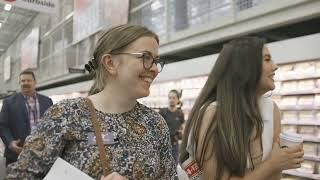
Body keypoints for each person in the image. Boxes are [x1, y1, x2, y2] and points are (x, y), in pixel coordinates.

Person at [6, 24, 177, 180]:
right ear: (110, 63)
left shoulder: (155, 124)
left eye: (155, 60)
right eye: (145, 57)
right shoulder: (66, 115)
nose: (154, 69)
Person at [180, 37, 304, 180]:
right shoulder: (212, 114)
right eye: (267, 59)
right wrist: (273, 164)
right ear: (246, 67)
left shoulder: (272, 110)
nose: (275, 66)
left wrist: (284, 160)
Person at [0, 70, 53, 166]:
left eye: (29, 80)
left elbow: (52, 124)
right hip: (16, 155)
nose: (25, 83)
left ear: (35, 82)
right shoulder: (8, 102)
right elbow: (2, 125)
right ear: (19, 83)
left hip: (42, 155)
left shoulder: (47, 101)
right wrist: (10, 142)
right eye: (23, 81)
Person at [159, 89, 185, 166]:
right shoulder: (162, 112)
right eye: (170, 98)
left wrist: (181, 134)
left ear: (178, 99)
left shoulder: (180, 113)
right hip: (163, 145)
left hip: (175, 144)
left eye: (174, 98)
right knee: (163, 167)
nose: (171, 100)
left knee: (174, 166)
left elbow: (182, 127)